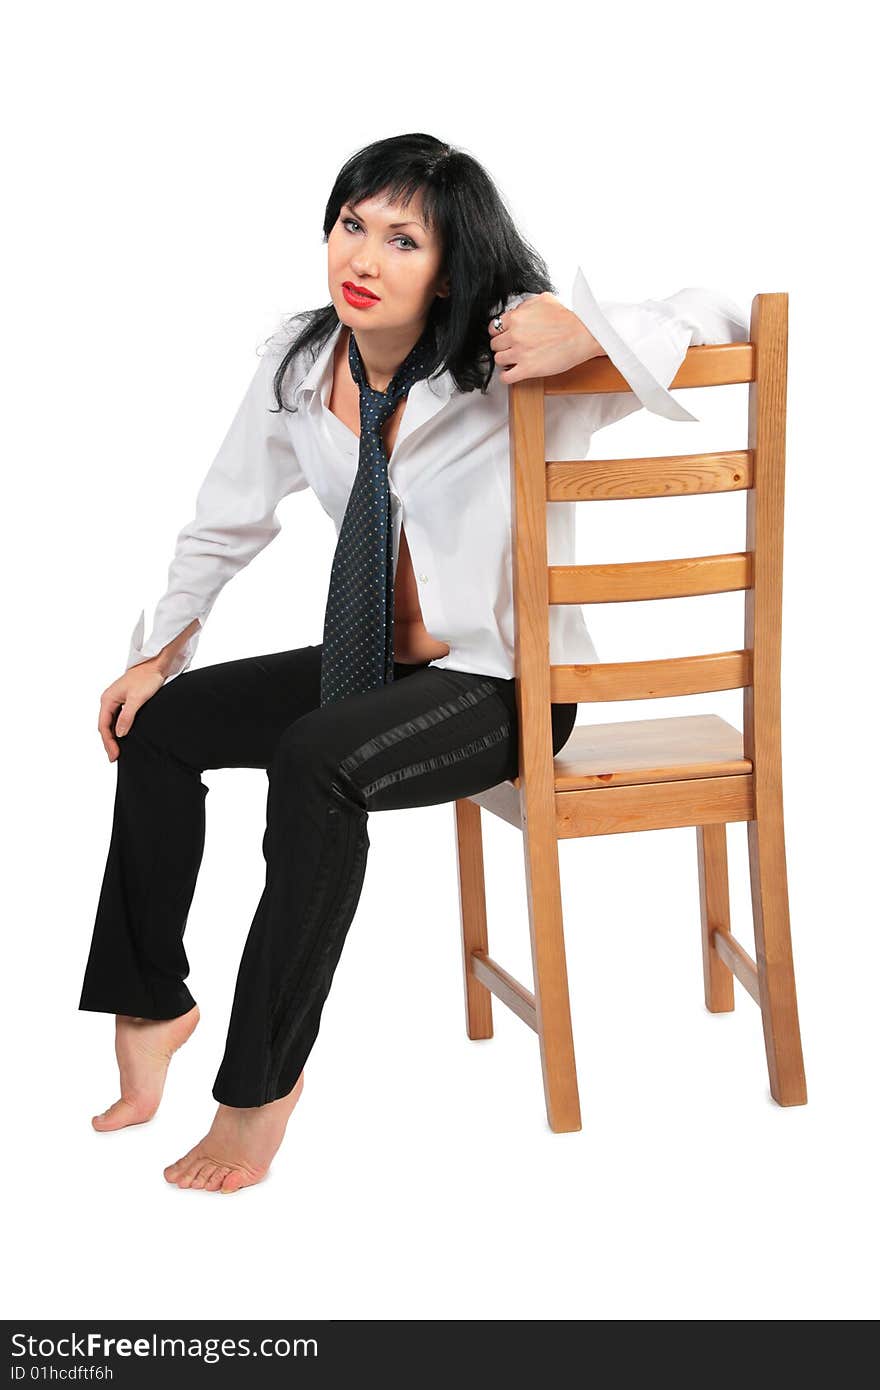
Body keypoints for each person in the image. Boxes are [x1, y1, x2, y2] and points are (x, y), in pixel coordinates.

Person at [78, 132, 749, 1194]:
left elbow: (729, 313)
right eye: (352, 224)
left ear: (454, 263)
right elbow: (223, 522)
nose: (366, 256)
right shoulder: (303, 367)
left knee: (313, 760)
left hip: (502, 685)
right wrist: (159, 652)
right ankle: (152, 1000)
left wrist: (589, 326)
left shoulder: (522, 364)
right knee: (161, 725)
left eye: (404, 238)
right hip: (373, 670)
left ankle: (258, 1090)